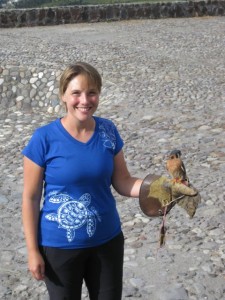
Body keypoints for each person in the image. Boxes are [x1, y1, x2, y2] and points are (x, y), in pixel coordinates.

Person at [22, 61, 143, 300]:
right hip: (59, 248)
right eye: (76, 93)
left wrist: (159, 188)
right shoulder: (44, 139)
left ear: (99, 94)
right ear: (63, 96)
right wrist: (32, 250)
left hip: (107, 242)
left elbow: (124, 181)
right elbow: (31, 197)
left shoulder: (108, 131)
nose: (84, 101)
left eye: (92, 93)